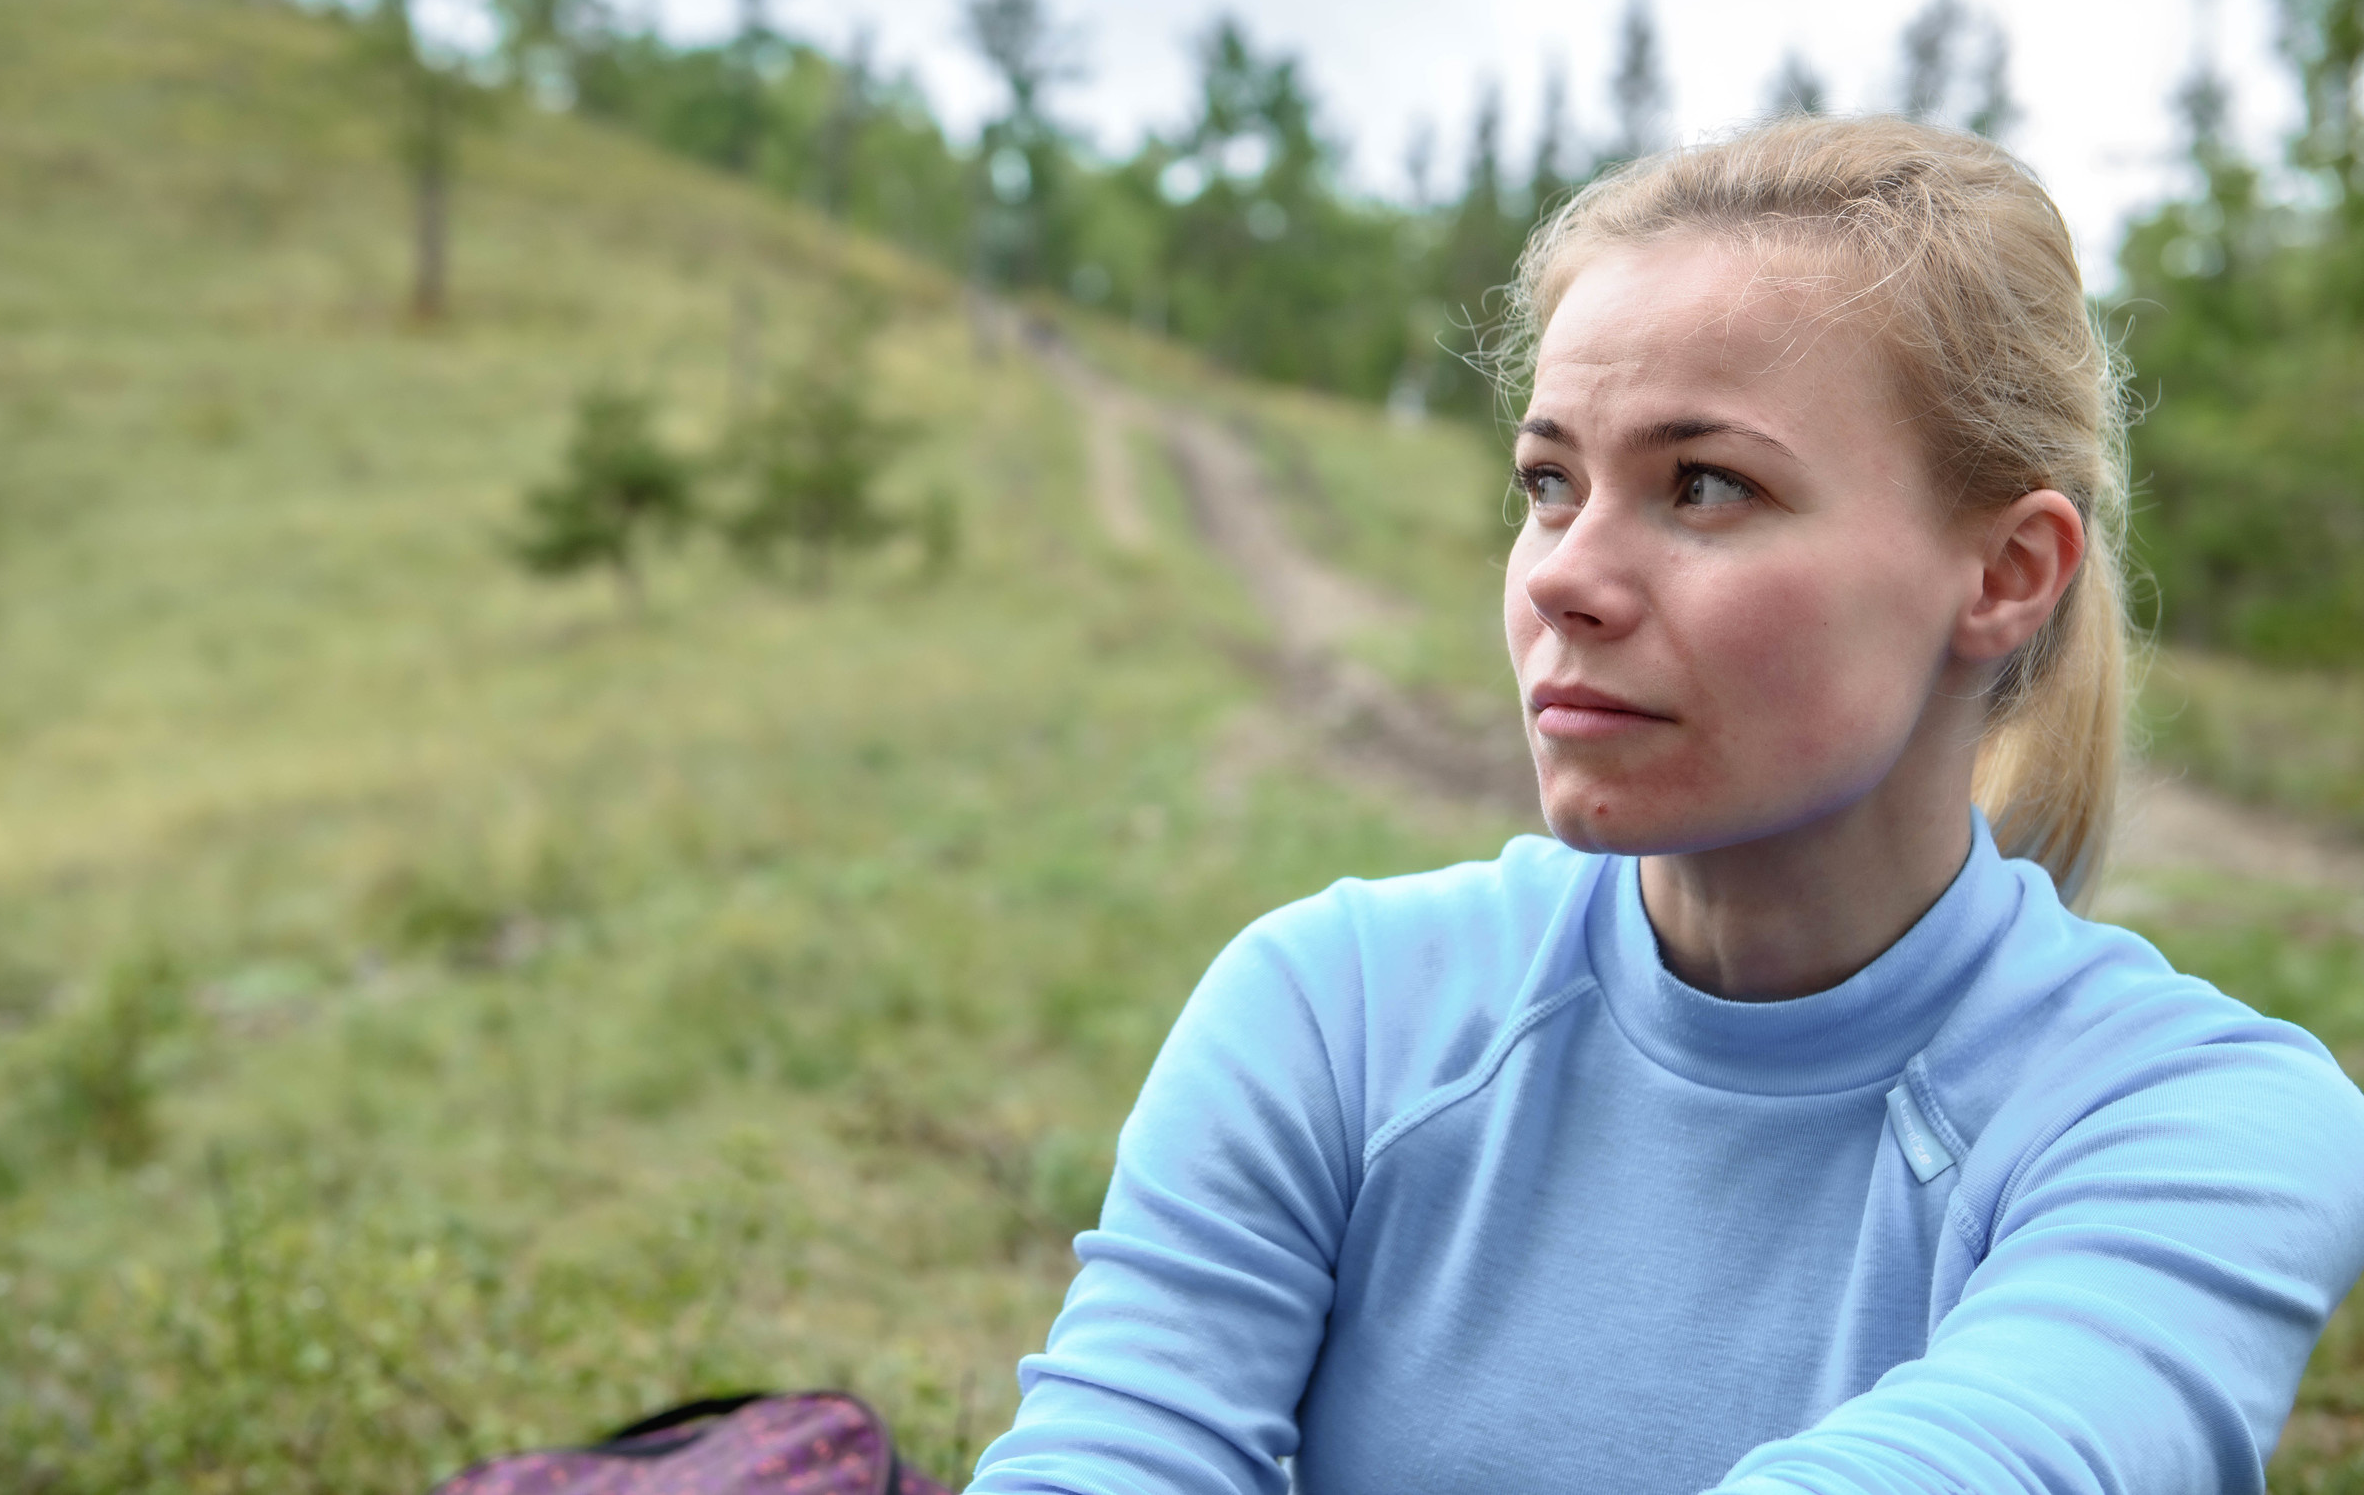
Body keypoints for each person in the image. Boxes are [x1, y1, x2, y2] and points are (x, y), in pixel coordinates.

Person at [965, 115, 2364, 1495]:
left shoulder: (2196, 1124)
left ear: (2005, 574)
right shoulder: (1342, 1012)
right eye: (1549, 482)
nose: (1563, 576)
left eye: (1704, 485)